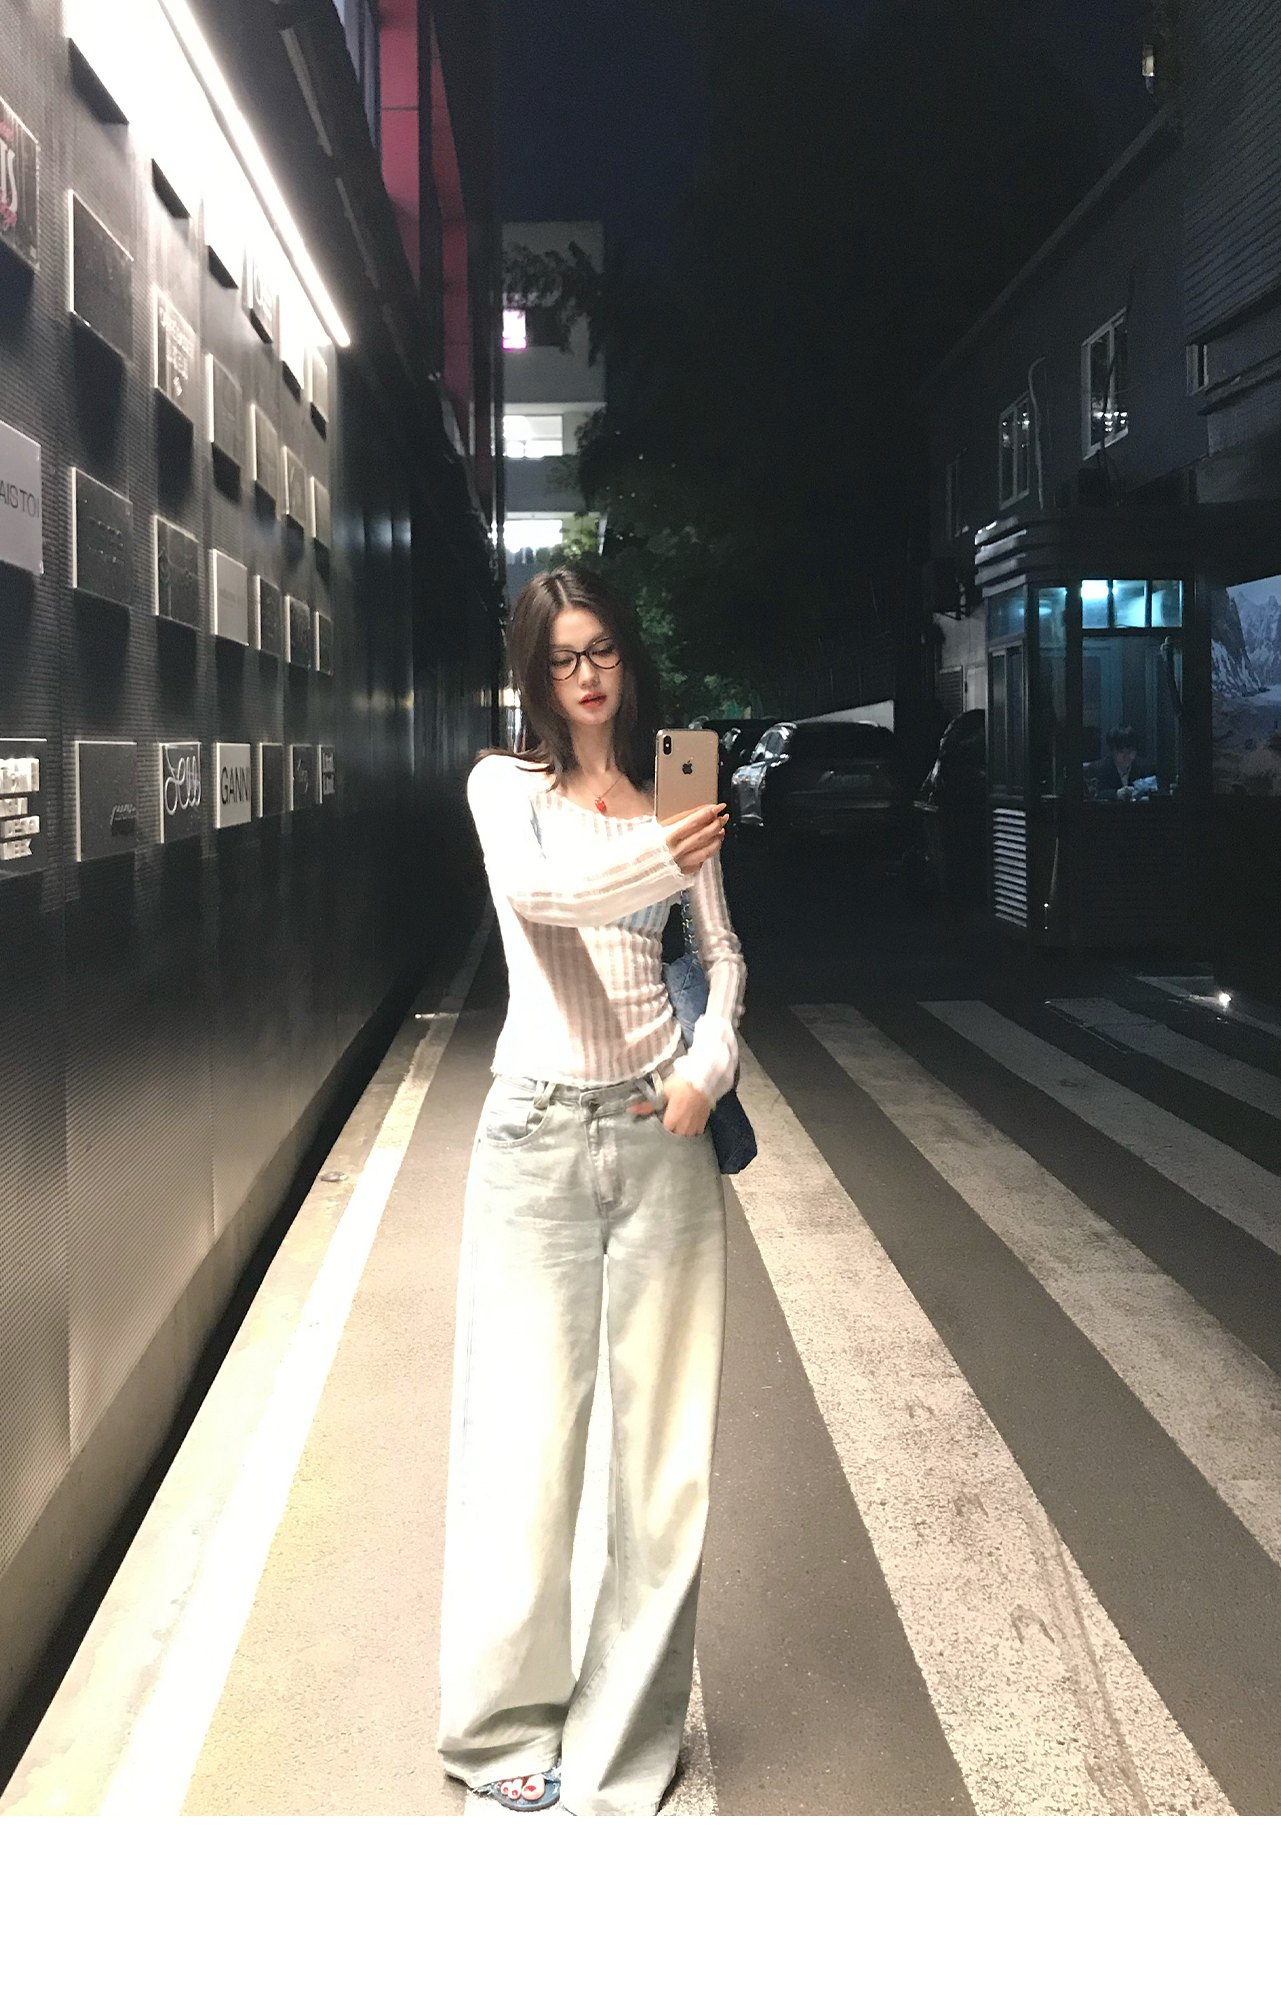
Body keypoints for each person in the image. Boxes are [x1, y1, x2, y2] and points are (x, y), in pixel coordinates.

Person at [437, 566, 746, 1818]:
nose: (587, 676)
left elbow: (719, 951)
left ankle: (623, 1741)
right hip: (536, 1134)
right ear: (534, 674)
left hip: (661, 1126)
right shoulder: (502, 787)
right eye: (563, 657)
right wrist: (660, 849)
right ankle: (505, 1726)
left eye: (603, 648)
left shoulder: (680, 770)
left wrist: (710, 1064)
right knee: (523, 1442)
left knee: (665, 1460)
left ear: (628, 652)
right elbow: (546, 900)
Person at [1093, 723, 1147, 800]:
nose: (1126, 756)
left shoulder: (1145, 768)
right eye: (1121, 752)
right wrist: (1115, 794)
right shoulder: (1098, 770)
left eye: (1130, 752)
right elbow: (1093, 795)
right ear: (1112, 751)